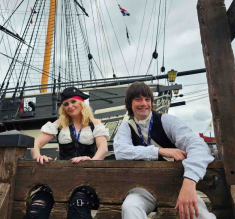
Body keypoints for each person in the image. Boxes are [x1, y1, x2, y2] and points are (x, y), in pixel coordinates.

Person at [113, 82, 216, 219]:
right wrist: (158, 151)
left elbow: (198, 146)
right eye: (138, 99)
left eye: (147, 99)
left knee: (203, 216)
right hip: (142, 188)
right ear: (130, 104)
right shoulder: (126, 127)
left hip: (175, 185)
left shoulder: (166, 121)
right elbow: (121, 151)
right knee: (131, 208)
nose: (144, 103)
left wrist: (189, 181)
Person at [25, 87, 109, 219]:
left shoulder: (94, 124)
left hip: (85, 179)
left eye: (73, 102)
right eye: (66, 104)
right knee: (37, 206)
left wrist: (91, 162)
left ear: (81, 103)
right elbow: (36, 143)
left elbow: (103, 148)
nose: (70, 106)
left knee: (78, 205)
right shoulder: (58, 125)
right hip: (61, 177)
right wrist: (38, 156)